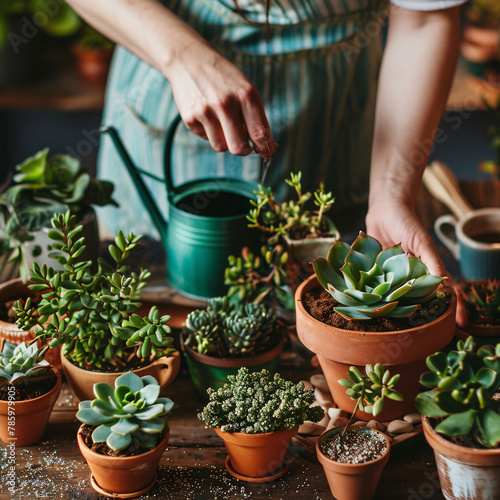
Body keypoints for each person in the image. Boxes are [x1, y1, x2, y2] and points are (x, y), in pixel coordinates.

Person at [66, 0, 468, 324]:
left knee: (309, 281)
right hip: (168, 78)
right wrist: (183, 57)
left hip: (337, 117)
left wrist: (392, 195)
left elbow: (425, 17)